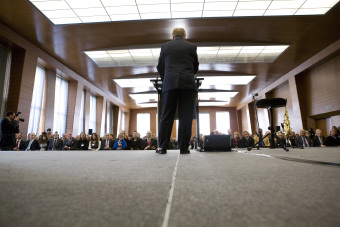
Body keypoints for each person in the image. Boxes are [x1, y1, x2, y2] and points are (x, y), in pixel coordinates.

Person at [156, 28, 199, 155]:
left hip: (170, 83)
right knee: (186, 116)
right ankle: (184, 148)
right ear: (185, 36)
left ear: (172, 36)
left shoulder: (165, 47)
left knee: (166, 115)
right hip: (188, 83)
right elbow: (195, 66)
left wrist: (167, 78)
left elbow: (160, 66)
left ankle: (162, 147)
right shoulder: (192, 47)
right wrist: (189, 75)